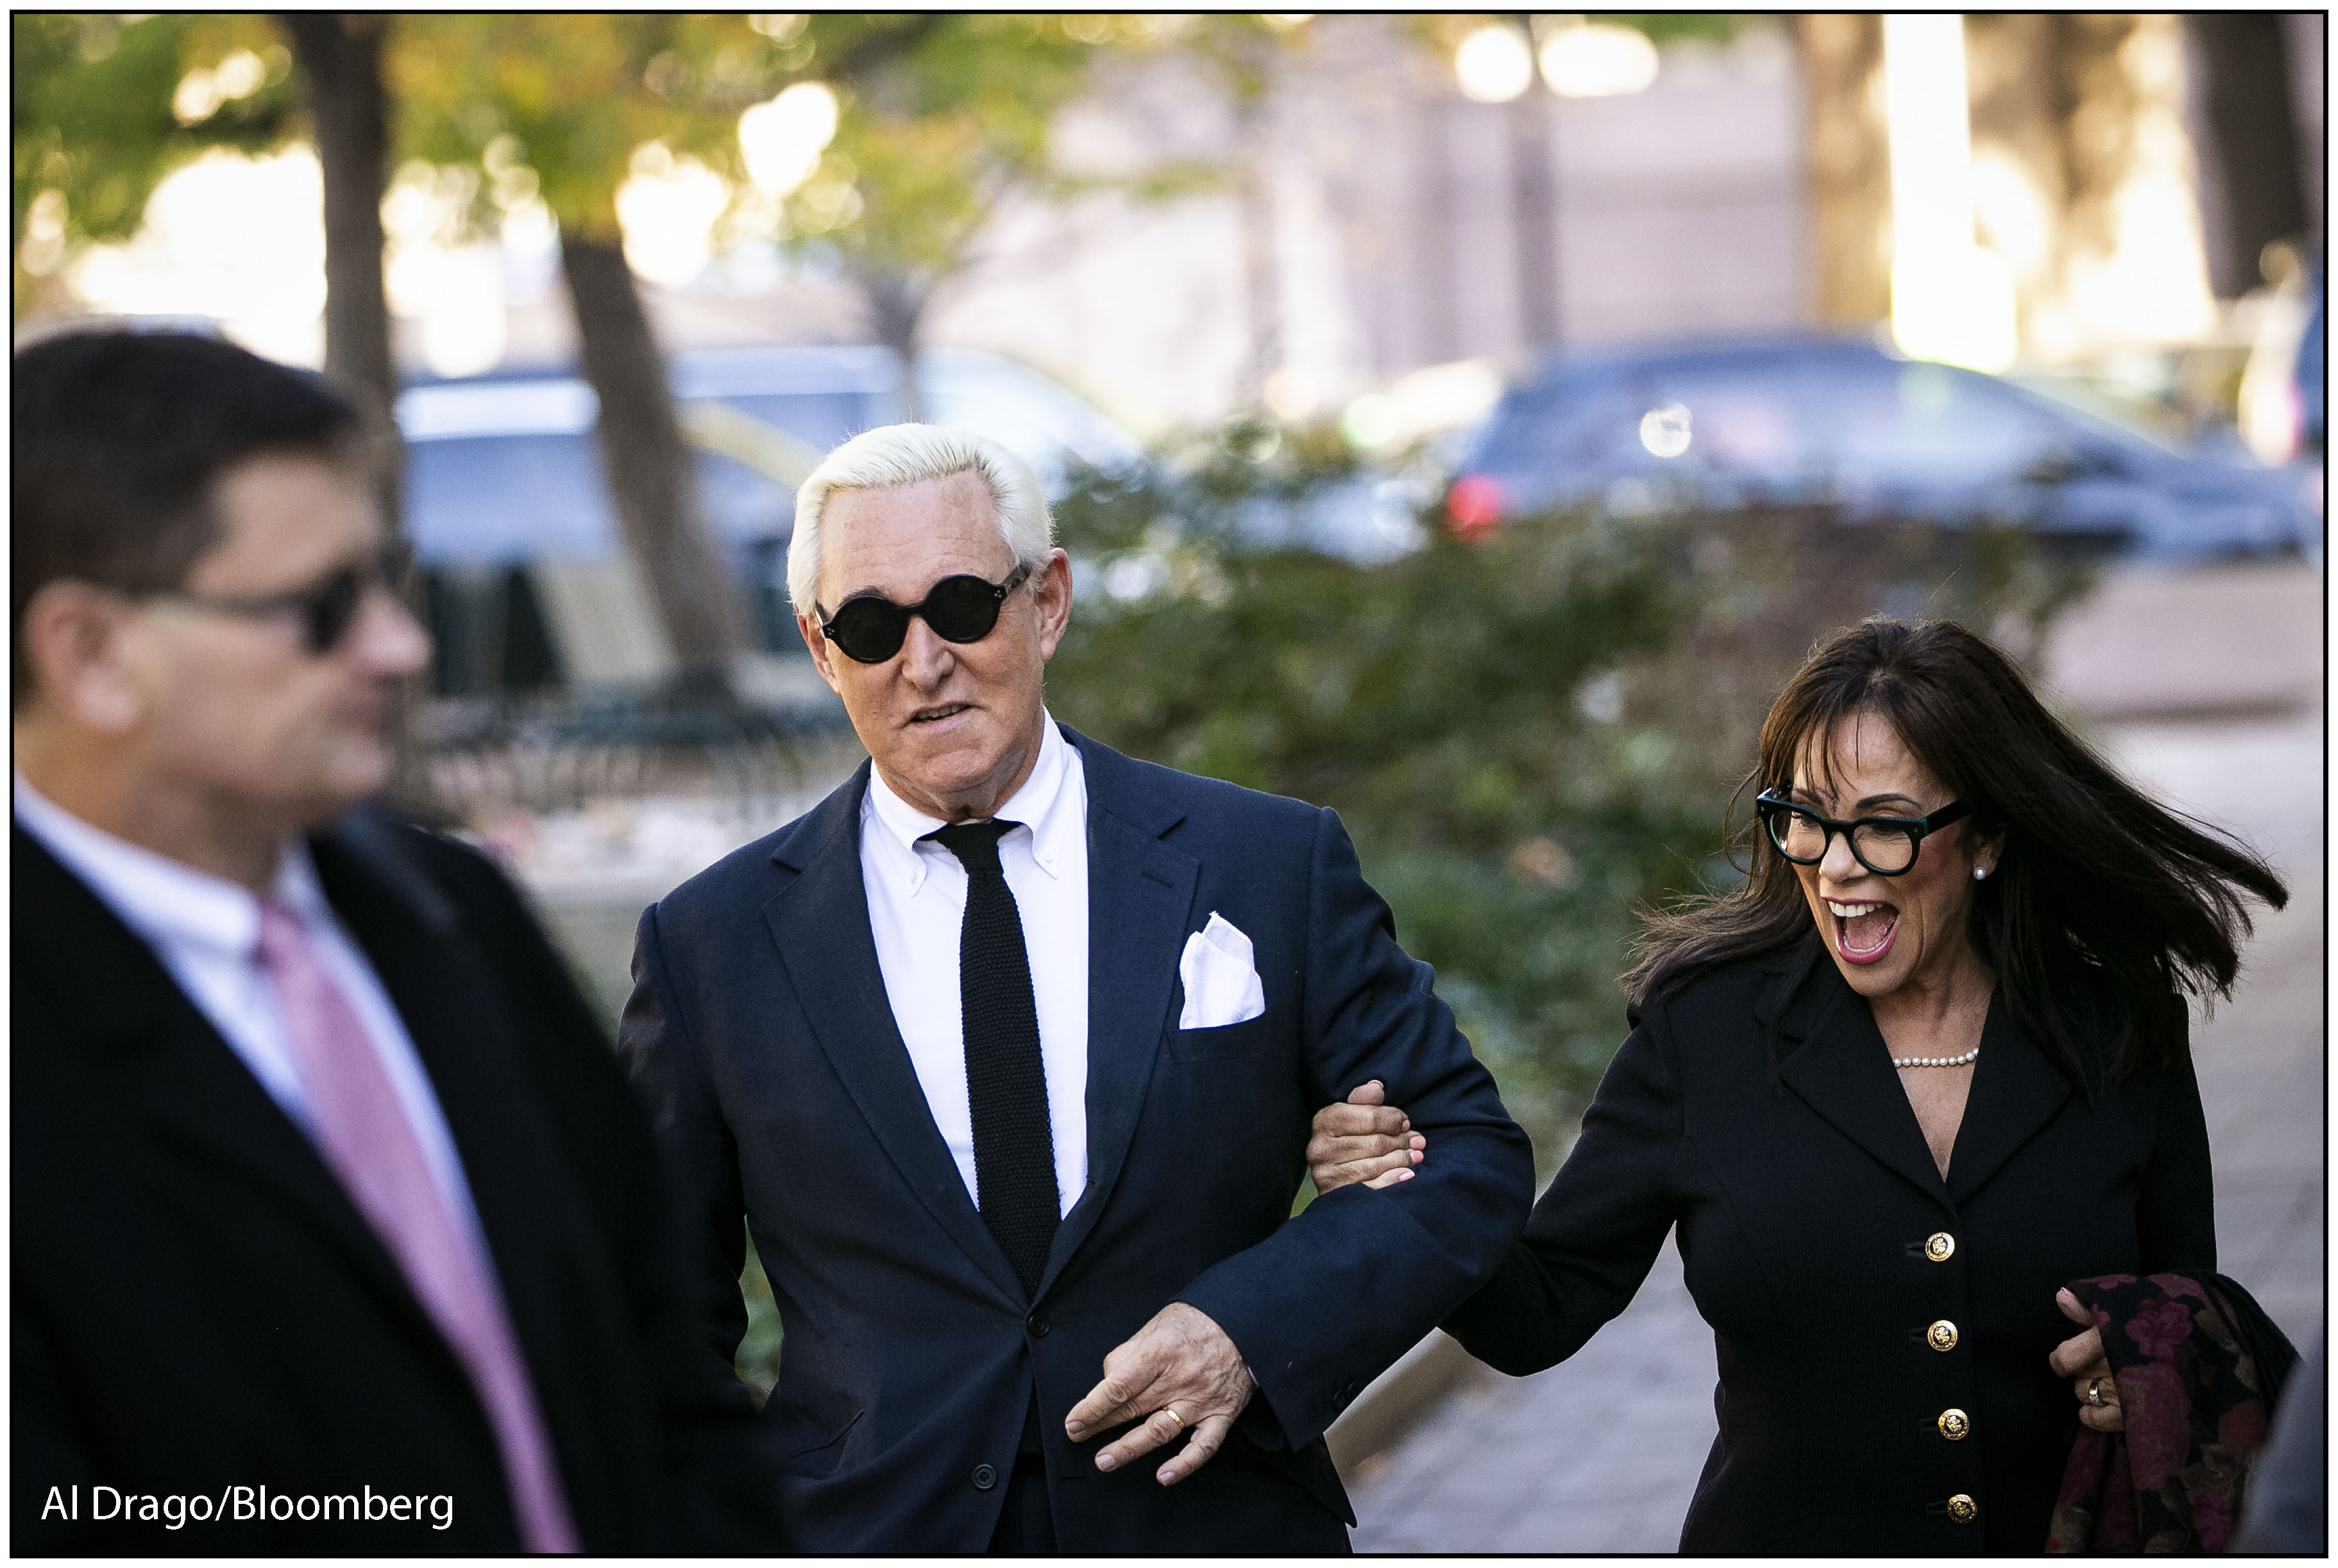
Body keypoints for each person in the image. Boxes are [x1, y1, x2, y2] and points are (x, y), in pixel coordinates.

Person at [618, 423, 1534, 1553]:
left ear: (1046, 601)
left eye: (961, 604)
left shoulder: (1263, 863)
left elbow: (1468, 1155)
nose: (923, 660)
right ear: (819, 647)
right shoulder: (712, 943)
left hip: (1211, 1524)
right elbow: (648, 1308)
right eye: (869, 624)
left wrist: (1246, 1326)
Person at [12, 330, 772, 1553]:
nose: (398, 645)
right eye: (320, 608)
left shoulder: (452, 911)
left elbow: (664, 1375)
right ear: (92, 653)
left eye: (389, 579)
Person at [1307, 618, 2287, 1553]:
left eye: (1885, 826)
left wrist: (2146, 1359)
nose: (1835, 866)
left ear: (1985, 837)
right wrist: (1401, 1195)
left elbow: (2180, 1297)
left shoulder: (2115, 1022)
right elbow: (1537, 1311)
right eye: (1805, 822)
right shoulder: (1705, 1030)